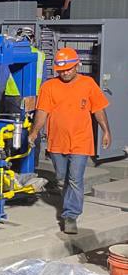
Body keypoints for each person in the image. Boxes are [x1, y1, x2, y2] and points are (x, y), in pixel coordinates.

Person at [28, 47, 111, 234]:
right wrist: (34, 133)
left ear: (77, 66)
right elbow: (42, 113)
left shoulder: (88, 84)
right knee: (61, 178)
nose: (65, 73)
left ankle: (70, 215)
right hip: (57, 141)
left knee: (75, 179)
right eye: (61, 70)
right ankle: (69, 205)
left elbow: (99, 109)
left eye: (68, 69)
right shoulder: (49, 87)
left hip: (81, 140)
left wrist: (106, 131)